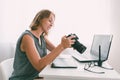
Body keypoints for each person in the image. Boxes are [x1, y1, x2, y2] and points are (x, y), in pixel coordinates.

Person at [9, 9, 75, 80]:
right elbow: (39, 65)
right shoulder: (27, 37)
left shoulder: (42, 37)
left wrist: (66, 44)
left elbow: (55, 51)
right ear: (40, 19)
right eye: (50, 21)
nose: (52, 25)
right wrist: (62, 45)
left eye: (53, 23)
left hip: (37, 77)